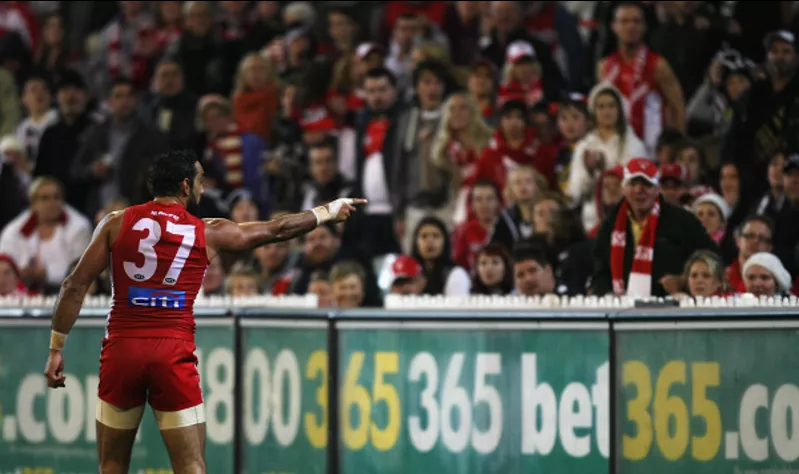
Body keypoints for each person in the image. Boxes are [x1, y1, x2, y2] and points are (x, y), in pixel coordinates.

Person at [43, 150, 365, 474]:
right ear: (185, 186)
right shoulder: (207, 231)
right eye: (200, 180)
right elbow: (276, 230)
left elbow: (74, 285)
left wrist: (57, 348)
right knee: (191, 466)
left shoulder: (115, 222)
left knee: (112, 465)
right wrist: (327, 211)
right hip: (172, 353)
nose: (202, 187)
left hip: (122, 349)